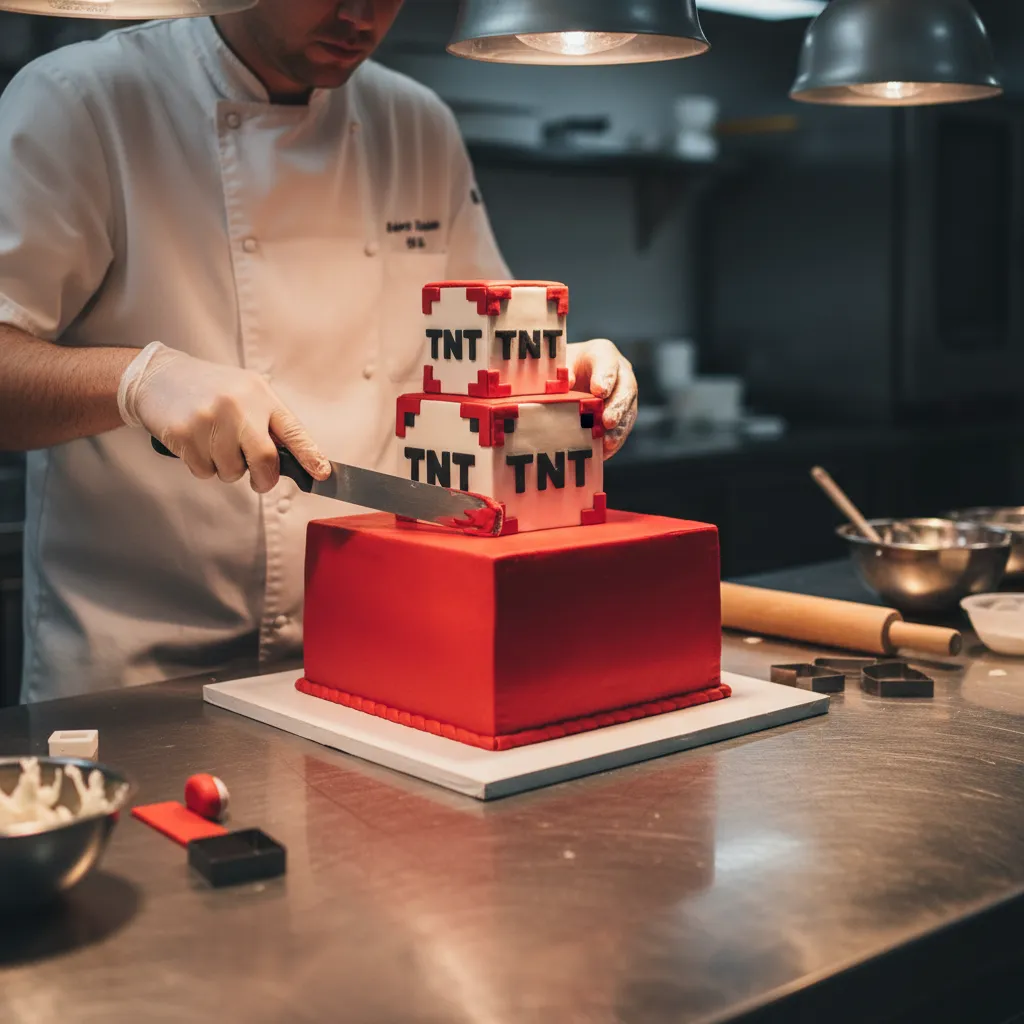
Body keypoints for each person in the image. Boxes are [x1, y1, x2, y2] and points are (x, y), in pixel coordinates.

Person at [0, 1, 639, 702]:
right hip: (139, 671)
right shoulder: (81, 100)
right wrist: (135, 380)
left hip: (372, 644)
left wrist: (551, 378)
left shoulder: (416, 122)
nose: (360, 13)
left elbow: (482, 340)